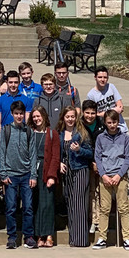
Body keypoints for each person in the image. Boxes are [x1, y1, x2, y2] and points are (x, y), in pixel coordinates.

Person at [0, 100, 37, 249]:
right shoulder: (6, 130)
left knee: (28, 207)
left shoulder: (29, 131)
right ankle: (12, 237)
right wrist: (3, 173)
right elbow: (1, 152)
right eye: (16, 114)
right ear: (12, 114)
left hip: (26, 174)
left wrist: (33, 175)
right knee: (11, 207)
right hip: (11, 175)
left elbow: (33, 154)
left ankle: (28, 236)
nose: (19, 116)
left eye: (21, 113)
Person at [93, 108, 129, 250]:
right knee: (104, 208)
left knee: (123, 208)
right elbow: (97, 157)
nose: (112, 125)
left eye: (114, 122)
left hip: (120, 177)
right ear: (105, 123)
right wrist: (103, 175)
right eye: (109, 122)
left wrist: (119, 175)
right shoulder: (100, 138)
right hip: (105, 177)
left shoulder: (124, 138)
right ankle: (102, 238)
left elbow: (128, 158)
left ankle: (127, 238)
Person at [57, 104, 93, 247]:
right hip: (66, 173)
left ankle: (81, 240)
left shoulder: (82, 133)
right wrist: (59, 163)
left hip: (80, 170)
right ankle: (73, 238)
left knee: (79, 204)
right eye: (68, 117)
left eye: (72, 116)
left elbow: (90, 153)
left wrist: (79, 150)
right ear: (63, 118)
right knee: (70, 203)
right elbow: (56, 152)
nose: (70, 119)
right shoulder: (59, 133)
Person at [28, 105, 59, 248]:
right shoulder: (29, 132)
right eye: (34, 117)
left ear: (44, 116)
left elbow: (55, 156)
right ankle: (39, 235)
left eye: (38, 116)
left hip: (47, 171)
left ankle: (49, 235)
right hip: (32, 171)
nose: (36, 119)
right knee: (35, 204)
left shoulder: (52, 133)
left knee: (47, 204)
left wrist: (52, 175)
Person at [81, 98, 103, 234]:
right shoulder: (80, 125)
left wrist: (98, 163)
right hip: (85, 163)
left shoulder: (102, 125)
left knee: (99, 193)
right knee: (90, 193)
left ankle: (99, 220)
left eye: (92, 113)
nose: (90, 116)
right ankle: (91, 219)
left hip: (100, 164)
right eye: (87, 113)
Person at [86, 66, 127, 132]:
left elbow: (120, 107)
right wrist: (113, 110)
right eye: (100, 77)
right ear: (95, 78)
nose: (102, 80)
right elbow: (93, 115)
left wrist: (103, 113)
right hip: (104, 129)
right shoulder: (91, 95)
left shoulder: (111, 87)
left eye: (105, 77)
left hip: (120, 127)